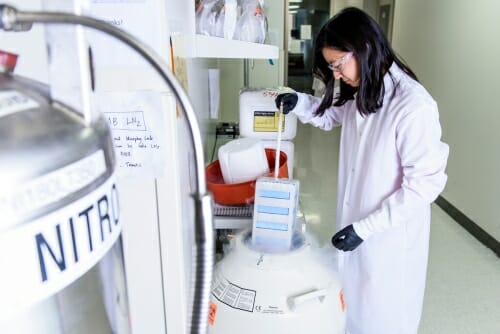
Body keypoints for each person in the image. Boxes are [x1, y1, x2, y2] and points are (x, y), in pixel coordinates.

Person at [275, 7, 449, 334]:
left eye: (338, 65)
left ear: (365, 48)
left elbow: (422, 187)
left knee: (384, 317)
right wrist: (297, 101)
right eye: (331, 68)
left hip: (389, 241)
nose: (337, 75)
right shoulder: (365, 89)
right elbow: (330, 115)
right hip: (358, 228)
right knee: (353, 310)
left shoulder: (413, 106)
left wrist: (365, 228)